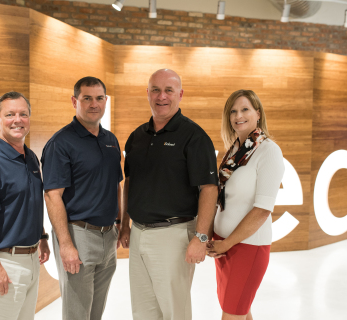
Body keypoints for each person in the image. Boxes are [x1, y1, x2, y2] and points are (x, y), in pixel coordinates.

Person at [119, 69, 219, 320]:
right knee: (143, 312)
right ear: (148, 94)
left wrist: (201, 237)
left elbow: (209, 189)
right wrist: (125, 224)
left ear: (180, 95)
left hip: (174, 236)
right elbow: (130, 182)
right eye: (155, 90)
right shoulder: (137, 137)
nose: (161, 96)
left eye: (169, 90)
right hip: (139, 234)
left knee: (175, 312)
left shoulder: (194, 137)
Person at [42, 77, 123, 320]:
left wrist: (120, 223)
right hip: (78, 235)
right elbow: (52, 195)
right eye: (86, 98)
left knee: (95, 312)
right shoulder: (60, 143)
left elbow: (116, 186)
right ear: (74, 101)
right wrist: (66, 244)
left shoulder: (110, 140)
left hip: (108, 236)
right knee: (77, 313)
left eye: (99, 98)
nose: (93, 104)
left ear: (105, 101)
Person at [0, 91, 50, 320]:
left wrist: (42, 237)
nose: (17, 120)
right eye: (10, 114)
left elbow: (29, 203)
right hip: (5, 263)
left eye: (23, 114)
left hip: (32, 259)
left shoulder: (31, 158)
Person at [206, 89, 285, 320]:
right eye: (232, 111)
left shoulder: (269, 151)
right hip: (223, 246)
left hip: (247, 247)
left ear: (257, 114)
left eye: (244, 109)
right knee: (240, 310)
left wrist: (226, 244)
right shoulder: (234, 151)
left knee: (231, 313)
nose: (237, 116)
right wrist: (214, 239)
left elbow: (262, 210)